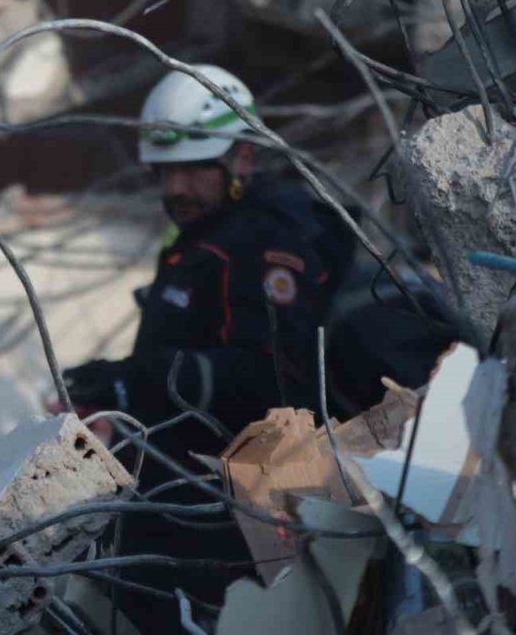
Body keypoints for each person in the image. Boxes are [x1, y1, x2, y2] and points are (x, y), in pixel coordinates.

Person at [60, 65, 354, 631]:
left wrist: (134, 383)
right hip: (172, 490)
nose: (176, 189)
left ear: (242, 158)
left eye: (194, 169)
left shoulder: (270, 243)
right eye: (165, 172)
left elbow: (276, 379)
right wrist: (110, 389)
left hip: (232, 512)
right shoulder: (207, 234)